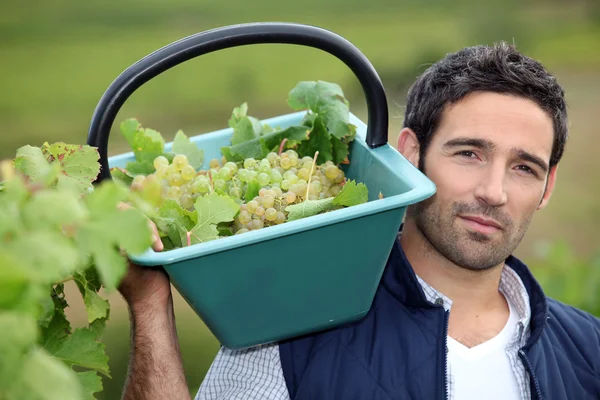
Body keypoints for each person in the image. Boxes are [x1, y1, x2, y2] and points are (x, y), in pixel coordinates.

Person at [117, 42, 600, 400]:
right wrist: (150, 307)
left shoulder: (589, 350)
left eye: (523, 167)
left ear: (547, 187)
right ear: (410, 155)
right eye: (470, 153)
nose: (494, 192)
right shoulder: (291, 333)